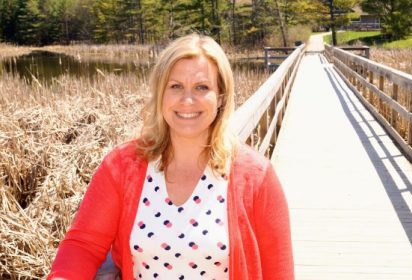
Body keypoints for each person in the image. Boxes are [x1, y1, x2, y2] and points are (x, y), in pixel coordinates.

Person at [48, 33, 294, 280]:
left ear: (220, 97)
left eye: (202, 87)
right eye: (175, 86)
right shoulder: (122, 166)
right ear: (161, 94)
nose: (187, 100)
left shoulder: (256, 177)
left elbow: (279, 271)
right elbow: (83, 245)